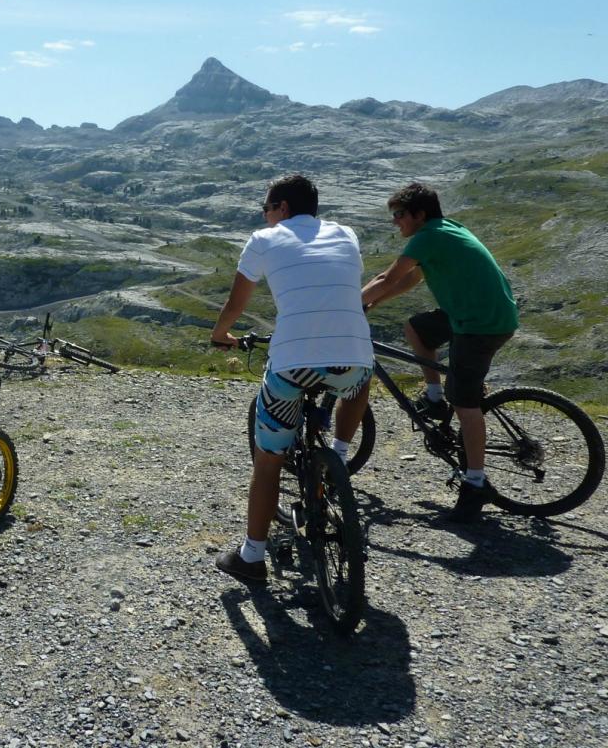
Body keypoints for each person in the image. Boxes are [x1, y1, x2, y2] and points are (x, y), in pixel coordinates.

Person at [211, 174, 373, 581]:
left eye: (266, 208)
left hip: (291, 364)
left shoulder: (264, 239)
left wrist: (219, 334)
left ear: (282, 207)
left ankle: (251, 557)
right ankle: (336, 453)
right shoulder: (347, 233)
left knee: (268, 463)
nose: (265, 216)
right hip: (352, 359)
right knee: (358, 381)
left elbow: (236, 302)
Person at [361, 182, 519, 523]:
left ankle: (475, 483)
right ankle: (433, 397)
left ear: (420, 214)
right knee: (417, 328)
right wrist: (372, 302)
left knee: (465, 404)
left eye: (399, 215)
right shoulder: (442, 231)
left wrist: (346, 305)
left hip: (481, 324)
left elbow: (389, 276)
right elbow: (409, 280)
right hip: (475, 313)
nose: (395, 222)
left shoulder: (428, 235)